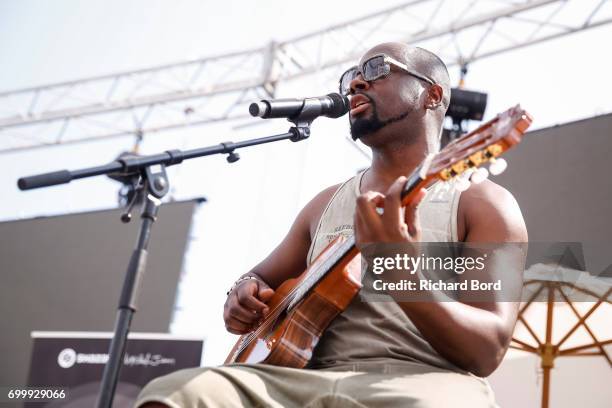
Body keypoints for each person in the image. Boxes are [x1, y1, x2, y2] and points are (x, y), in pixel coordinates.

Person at [136, 42, 527, 408]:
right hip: (297, 383)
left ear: (433, 95)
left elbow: (486, 350)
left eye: (377, 69)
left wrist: (400, 272)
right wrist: (241, 294)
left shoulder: (484, 205)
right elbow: (258, 278)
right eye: (351, 76)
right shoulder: (323, 205)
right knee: (177, 391)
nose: (357, 81)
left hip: (419, 382)